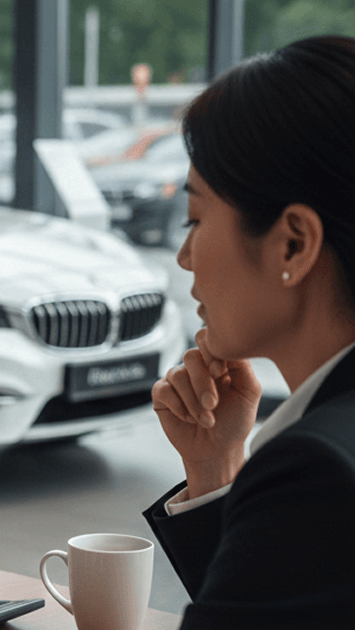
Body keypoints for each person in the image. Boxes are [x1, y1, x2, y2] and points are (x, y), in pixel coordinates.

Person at [144, 35, 355, 629]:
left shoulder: (315, 473)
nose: (185, 257)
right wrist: (216, 472)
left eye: (198, 218)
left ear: (294, 242)